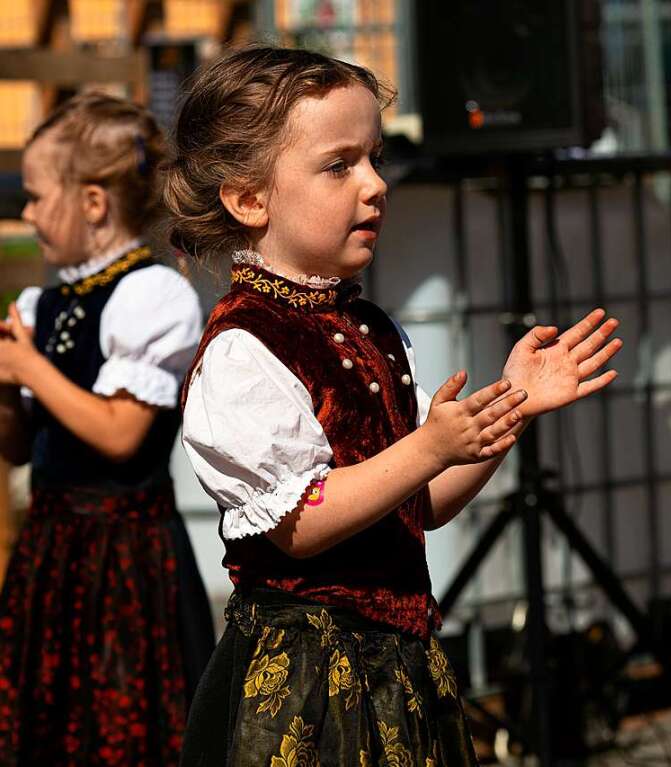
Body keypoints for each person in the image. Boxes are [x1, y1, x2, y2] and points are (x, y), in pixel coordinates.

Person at [165, 46, 622, 766]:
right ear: (249, 197)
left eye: (374, 158)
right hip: (305, 689)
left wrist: (509, 410)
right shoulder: (244, 350)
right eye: (338, 165)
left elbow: (421, 500)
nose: (375, 185)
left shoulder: (370, 326)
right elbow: (300, 521)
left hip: (399, 671)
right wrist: (428, 446)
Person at [0, 93, 214, 764]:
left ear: (93, 203)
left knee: (127, 729)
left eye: (36, 197)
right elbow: (17, 449)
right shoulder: (46, 299)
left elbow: (121, 432)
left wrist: (32, 366)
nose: (27, 213)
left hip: (126, 558)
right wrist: (9, 388)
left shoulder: (152, 295)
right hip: (52, 549)